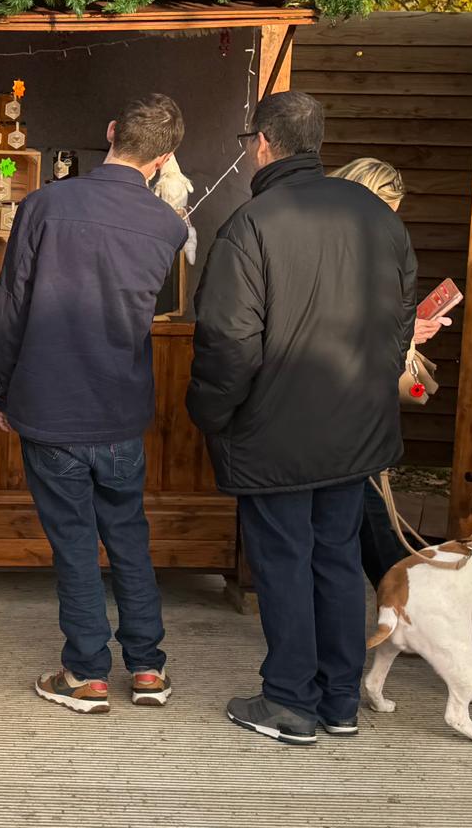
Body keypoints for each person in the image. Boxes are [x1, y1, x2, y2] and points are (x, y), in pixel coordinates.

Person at [187, 92, 416, 746]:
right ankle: (339, 701)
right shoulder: (381, 221)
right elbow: (397, 333)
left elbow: (228, 346)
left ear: (262, 143)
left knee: (285, 561)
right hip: (355, 432)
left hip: (273, 434)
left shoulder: (252, 224)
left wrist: (210, 414)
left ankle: (289, 703)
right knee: (338, 559)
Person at [0, 94, 188, 714]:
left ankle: (86, 671)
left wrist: (1, 389)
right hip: (119, 404)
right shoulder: (167, 226)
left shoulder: (44, 204)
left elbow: (11, 306)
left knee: (74, 541)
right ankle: (148, 666)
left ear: (109, 131)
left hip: (50, 403)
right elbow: (157, 307)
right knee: (128, 535)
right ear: (163, 158)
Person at [329, 157, 452, 585]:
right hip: (341, 396)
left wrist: (408, 326)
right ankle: (411, 595)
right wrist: (405, 327)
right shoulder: (345, 245)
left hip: (341, 397)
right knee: (360, 511)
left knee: (358, 509)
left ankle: (407, 591)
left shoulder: (334, 236)